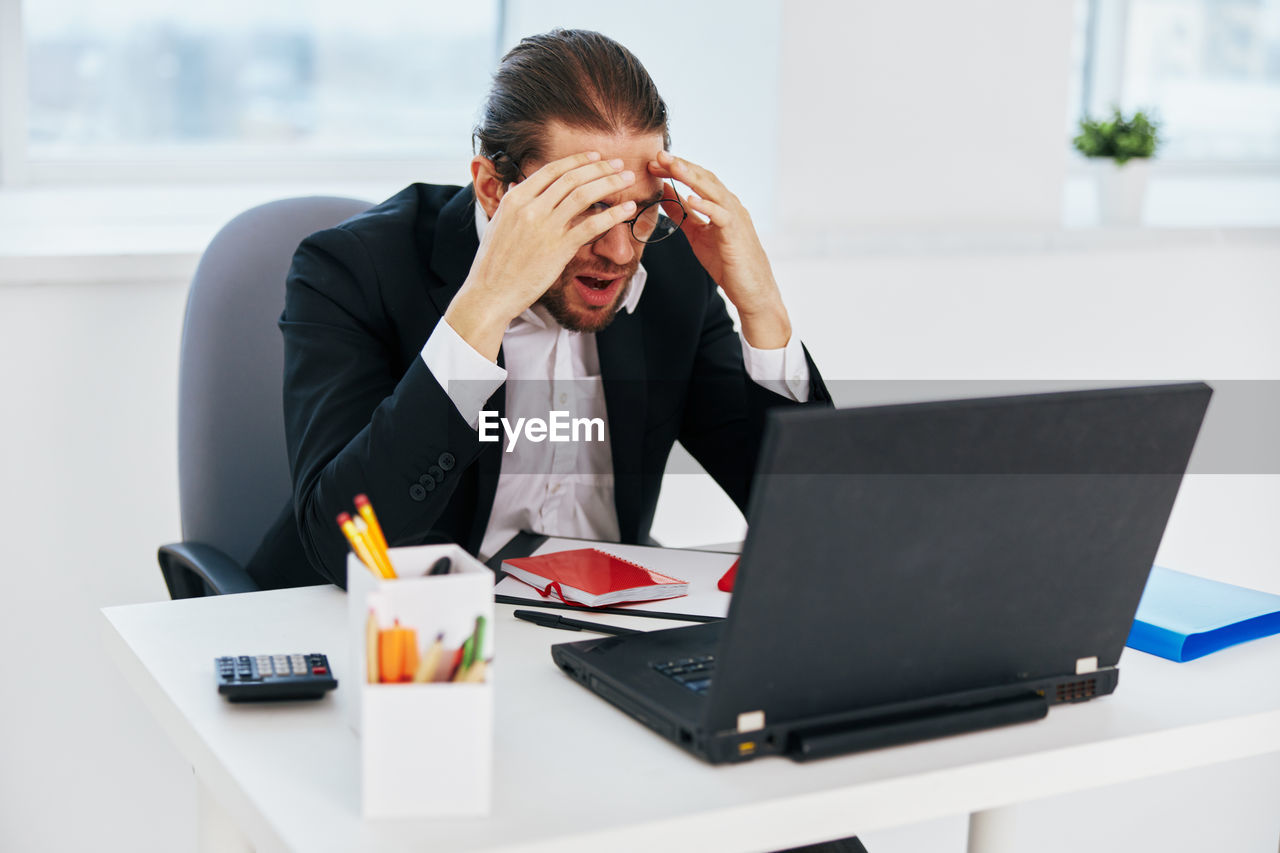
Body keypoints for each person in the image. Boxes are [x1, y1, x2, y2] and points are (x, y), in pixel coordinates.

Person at [245, 28, 830, 591]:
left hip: (600, 632)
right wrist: (486, 306)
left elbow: (815, 522)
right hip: (409, 634)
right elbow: (344, 547)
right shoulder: (355, 268)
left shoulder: (671, 271)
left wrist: (764, 312)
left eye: (641, 211)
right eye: (585, 208)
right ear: (495, 189)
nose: (619, 250)